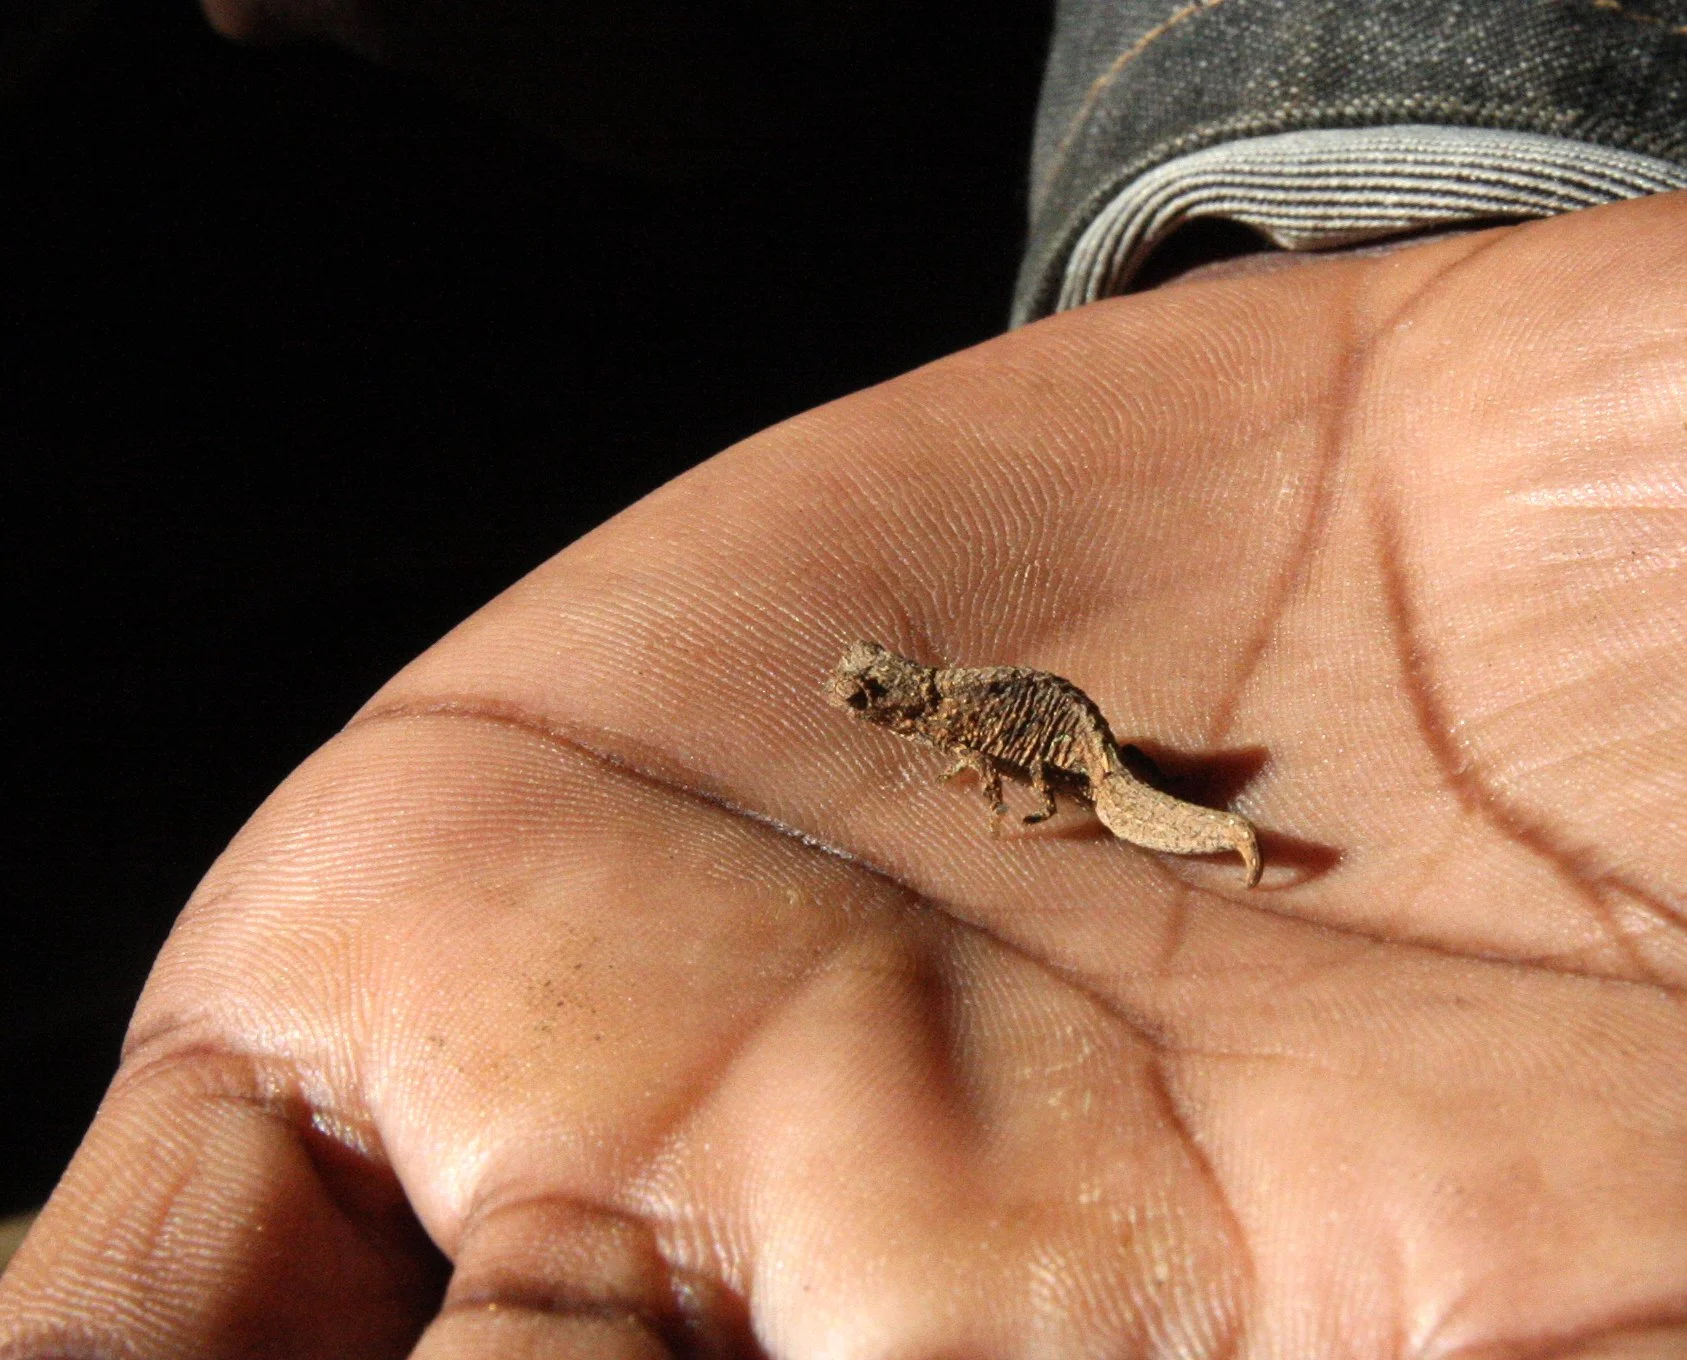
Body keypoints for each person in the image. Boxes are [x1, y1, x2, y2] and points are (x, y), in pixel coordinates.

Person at [3, 2, 1684, 1355]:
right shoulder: (941, 704)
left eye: (878, 696)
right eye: (879, 697)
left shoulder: (957, 722)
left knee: (1141, 811)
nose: (872, 706)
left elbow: (1022, 754)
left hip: (1072, 720)